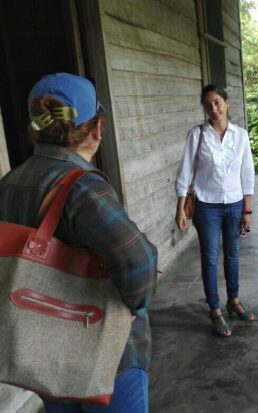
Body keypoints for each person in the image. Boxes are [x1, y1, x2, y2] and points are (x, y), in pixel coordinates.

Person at [0, 73, 158, 412]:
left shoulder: (9, 183)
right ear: (97, 129)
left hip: (41, 349)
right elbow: (138, 261)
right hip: (104, 356)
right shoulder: (83, 188)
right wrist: (134, 307)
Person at [175, 84, 255, 338]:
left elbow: (247, 172)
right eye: (208, 104)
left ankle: (233, 300)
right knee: (210, 257)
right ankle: (214, 309)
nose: (214, 108)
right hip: (206, 206)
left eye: (218, 102)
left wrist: (247, 209)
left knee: (232, 255)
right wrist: (180, 209)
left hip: (234, 205)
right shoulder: (197, 135)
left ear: (227, 103)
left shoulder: (240, 135)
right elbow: (185, 172)